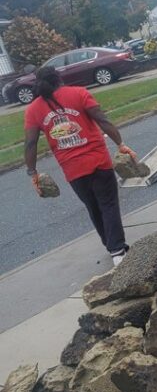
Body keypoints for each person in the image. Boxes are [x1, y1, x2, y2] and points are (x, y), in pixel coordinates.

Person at [24, 66, 138, 266]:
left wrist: (32, 172)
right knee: (108, 204)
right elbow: (102, 120)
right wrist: (120, 144)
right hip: (98, 161)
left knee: (93, 207)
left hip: (72, 169)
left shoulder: (33, 110)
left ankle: (111, 245)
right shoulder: (79, 93)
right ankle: (117, 250)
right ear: (59, 78)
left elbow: (30, 143)